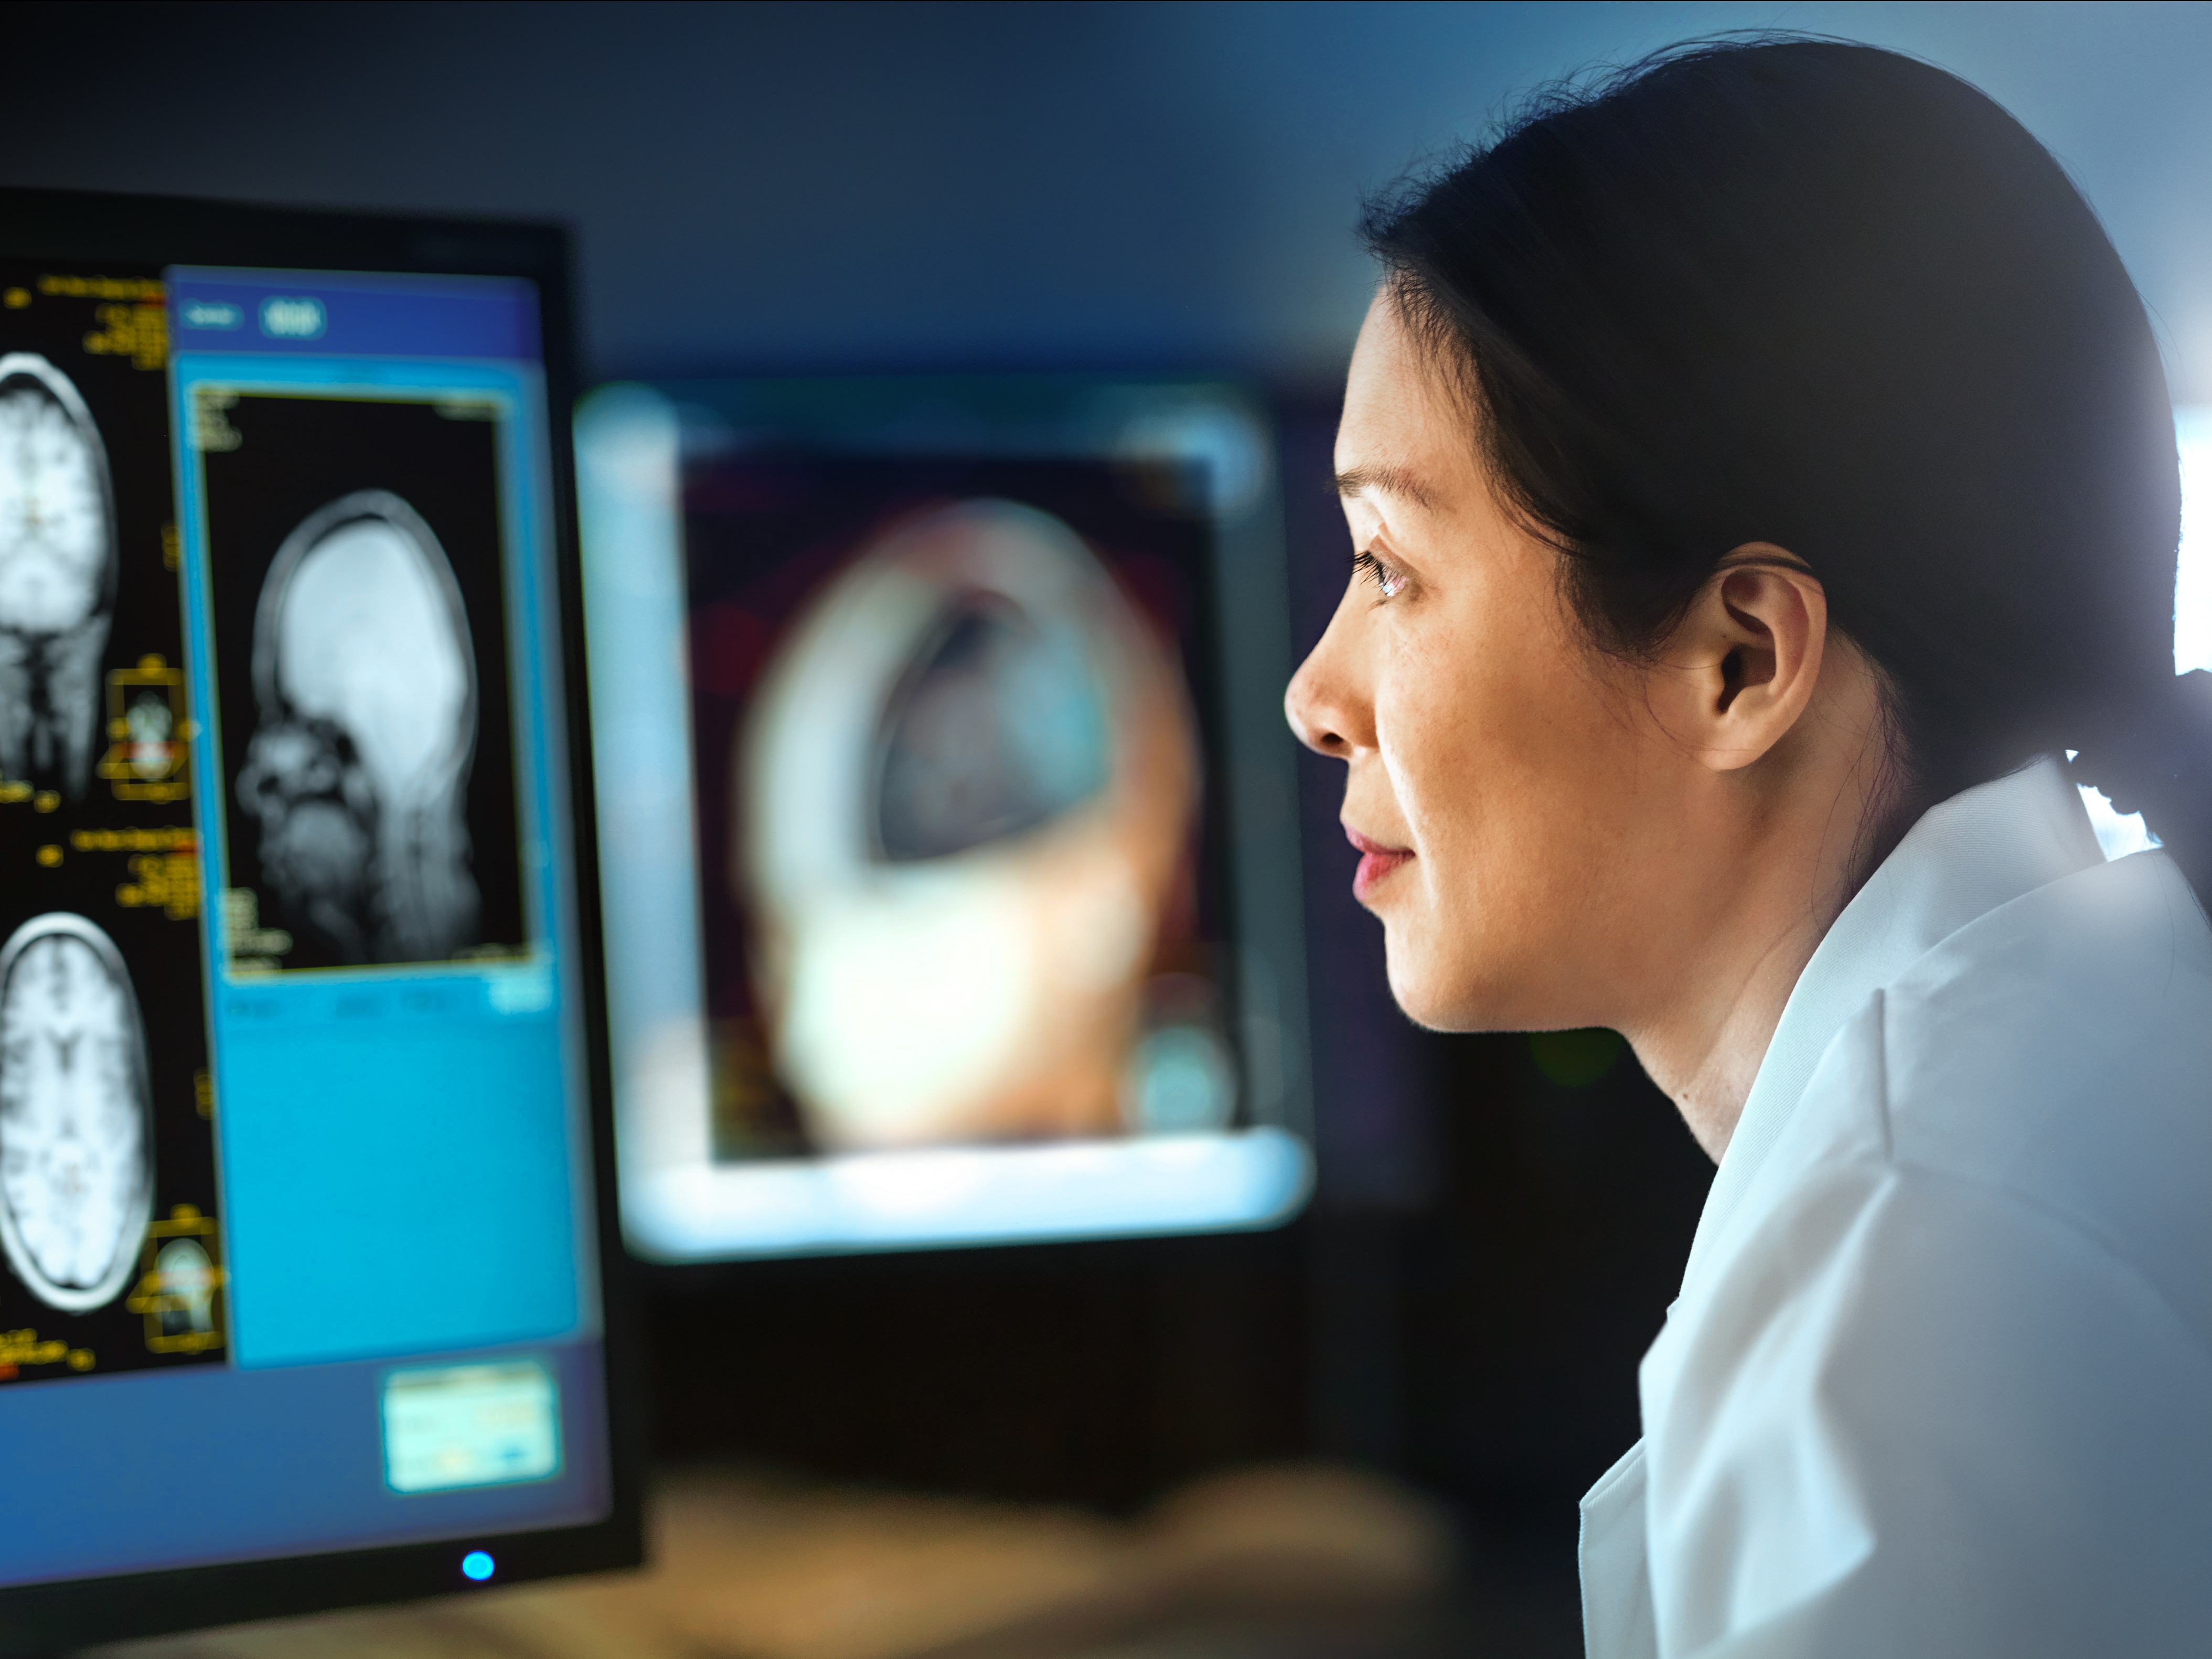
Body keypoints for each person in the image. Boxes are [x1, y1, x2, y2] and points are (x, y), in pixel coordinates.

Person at [1285, 37, 2212, 1657]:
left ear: (1741, 660)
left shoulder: (1916, 1266)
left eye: (1389, 565)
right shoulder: (2080, 1057)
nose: (1315, 694)